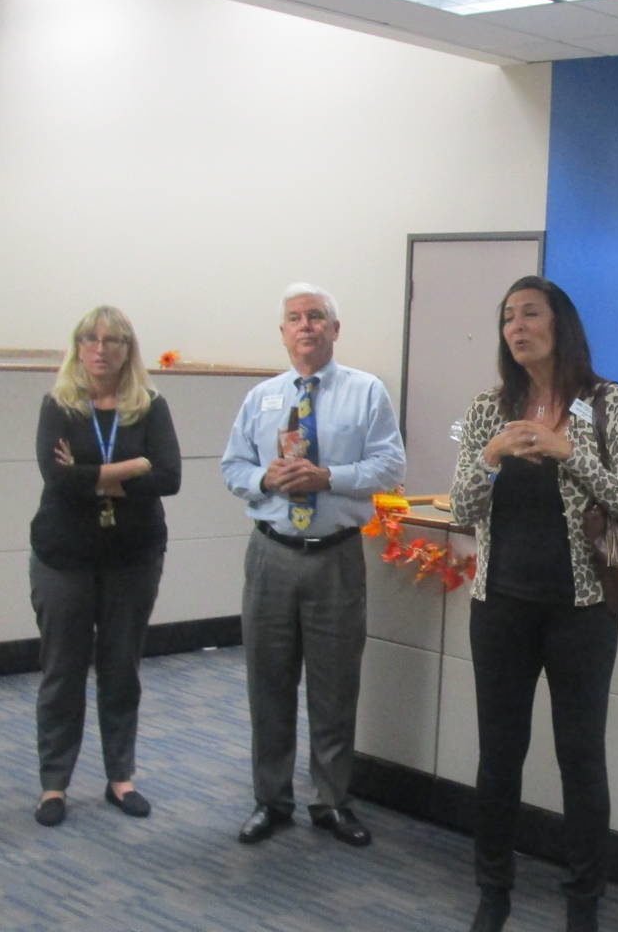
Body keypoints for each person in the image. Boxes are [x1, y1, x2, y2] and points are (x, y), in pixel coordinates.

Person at [449, 276, 618, 932]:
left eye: (530, 314)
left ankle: (583, 905)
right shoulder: (489, 407)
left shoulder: (605, 401)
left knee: (581, 758)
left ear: (560, 323)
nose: (516, 326)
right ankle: (493, 892)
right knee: (498, 755)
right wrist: (489, 457)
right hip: (500, 606)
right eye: (508, 317)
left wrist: (568, 454)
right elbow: (460, 510)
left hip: (581, 611)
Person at [220, 282, 404, 849]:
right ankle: (270, 800)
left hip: (335, 558)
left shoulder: (366, 392)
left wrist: (329, 478)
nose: (306, 326)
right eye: (295, 318)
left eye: (317, 317)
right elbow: (232, 468)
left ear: (334, 329)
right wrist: (263, 479)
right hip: (271, 554)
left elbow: (391, 465)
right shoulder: (261, 397)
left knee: (334, 687)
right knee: (268, 685)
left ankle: (331, 802)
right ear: (283, 332)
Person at [27, 305, 182, 827]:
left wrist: (91, 473)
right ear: (77, 346)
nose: (100, 349)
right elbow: (57, 478)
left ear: (127, 349)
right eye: (90, 339)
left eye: (113, 340)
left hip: (133, 558)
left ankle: (121, 778)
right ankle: (54, 785)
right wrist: (129, 468)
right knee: (62, 671)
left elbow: (170, 477)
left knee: (121, 670)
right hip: (64, 557)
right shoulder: (59, 405)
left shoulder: (149, 407)